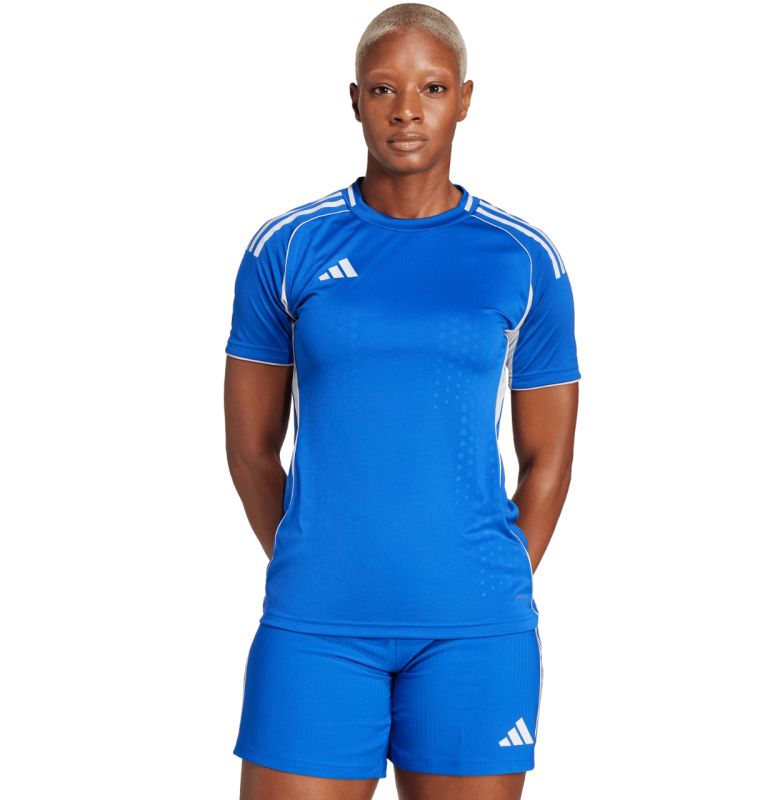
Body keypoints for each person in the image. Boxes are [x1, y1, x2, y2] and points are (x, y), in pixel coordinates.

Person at [223, 4, 581, 799]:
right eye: (384, 89)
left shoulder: (524, 259)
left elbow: (548, 461)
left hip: (475, 634)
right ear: (355, 100)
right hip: (316, 628)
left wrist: (489, 583)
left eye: (432, 87)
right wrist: (315, 559)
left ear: (465, 98)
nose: (407, 110)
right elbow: (250, 449)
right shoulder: (287, 248)